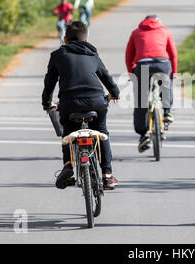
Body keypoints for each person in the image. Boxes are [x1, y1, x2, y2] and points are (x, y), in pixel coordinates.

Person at [42, 21, 120, 190]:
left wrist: (47, 104)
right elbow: (106, 77)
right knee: (101, 132)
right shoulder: (92, 54)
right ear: (86, 40)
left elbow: (49, 83)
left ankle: (68, 165)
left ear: (64, 39)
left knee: (68, 133)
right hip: (96, 101)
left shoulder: (57, 55)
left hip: (69, 103)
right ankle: (107, 176)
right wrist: (115, 93)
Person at [125, 15, 177, 153]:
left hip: (142, 65)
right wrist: (173, 74)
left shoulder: (136, 32)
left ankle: (143, 135)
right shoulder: (165, 31)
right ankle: (167, 111)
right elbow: (173, 54)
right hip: (162, 63)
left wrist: (131, 72)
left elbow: (129, 54)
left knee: (141, 101)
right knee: (166, 84)